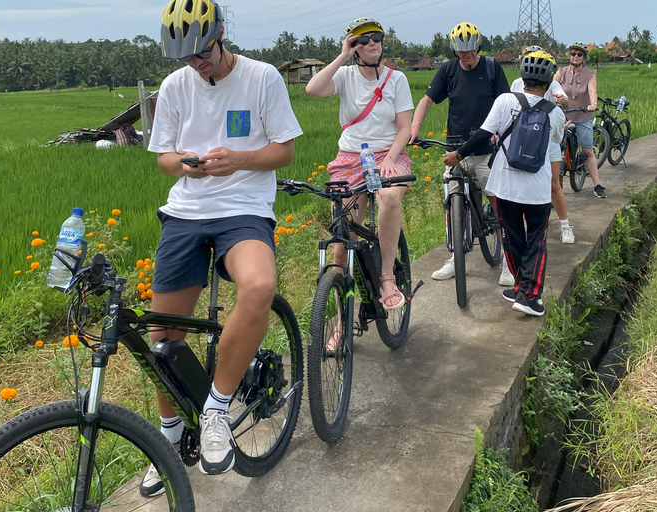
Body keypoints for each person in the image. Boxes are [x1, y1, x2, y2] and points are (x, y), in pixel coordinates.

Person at [140, 0, 302, 497]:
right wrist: (184, 166)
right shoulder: (174, 86)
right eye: (185, 56)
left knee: (258, 286)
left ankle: (215, 409)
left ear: (221, 35)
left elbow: (285, 149)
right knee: (162, 331)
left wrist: (238, 161)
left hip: (244, 207)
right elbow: (164, 157)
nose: (196, 62)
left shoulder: (262, 77)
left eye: (202, 52)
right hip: (187, 211)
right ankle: (170, 437)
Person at [306, 17, 413, 313]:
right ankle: (342, 321)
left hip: (388, 153)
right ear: (354, 46)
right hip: (351, 157)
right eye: (362, 40)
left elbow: (404, 127)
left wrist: (391, 158)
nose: (371, 43)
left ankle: (387, 277)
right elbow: (313, 89)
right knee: (340, 244)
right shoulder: (345, 76)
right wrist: (341, 55)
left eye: (376, 37)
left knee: (389, 196)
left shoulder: (397, 79)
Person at [447, 51, 565, 316]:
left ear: (522, 78)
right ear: (548, 82)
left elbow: (484, 134)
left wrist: (459, 154)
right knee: (536, 240)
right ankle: (531, 296)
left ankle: (521, 288)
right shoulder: (555, 112)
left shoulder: (505, 101)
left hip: (505, 186)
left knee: (511, 237)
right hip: (537, 190)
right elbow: (556, 138)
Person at [409, 22, 512, 285]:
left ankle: (509, 263)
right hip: (455, 149)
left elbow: (506, 104)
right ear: (455, 50)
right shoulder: (448, 69)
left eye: (470, 51)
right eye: (461, 51)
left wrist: (497, 131)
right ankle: (455, 257)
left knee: (500, 203)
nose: (466, 56)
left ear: (478, 47)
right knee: (452, 200)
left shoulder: (491, 68)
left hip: (486, 151)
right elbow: (427, 99)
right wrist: (415, 126)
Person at [510, 46, 574, 244]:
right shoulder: (515, 84)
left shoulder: (552, 84)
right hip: (523, 138)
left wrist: (563, 100)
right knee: (519, 187)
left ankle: (565, 226)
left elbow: (563, 98)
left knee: (554, 185)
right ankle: (524, 231)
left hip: (547, 138)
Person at [554, 42, 606, 199]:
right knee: (555, 148)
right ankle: (554, 186)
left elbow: (592, 90)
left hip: (583, 114)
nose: (575, 57)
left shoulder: (590, 74)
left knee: (588, 150)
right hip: (564, 114)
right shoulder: (561, 72)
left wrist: (593, 104)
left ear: (584, 57)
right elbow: (552, 85)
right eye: (573, 54)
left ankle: (597, 185)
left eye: (579, 54)